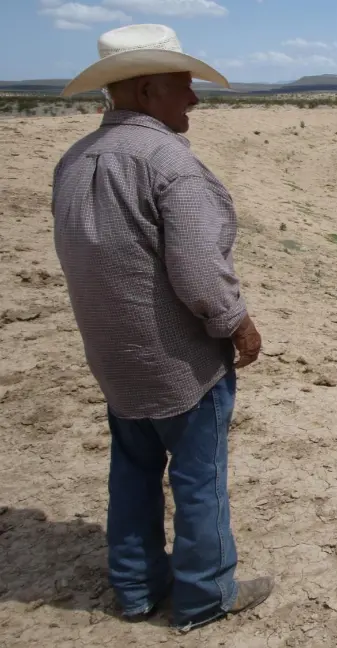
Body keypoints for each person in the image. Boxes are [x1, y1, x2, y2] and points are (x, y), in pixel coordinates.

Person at [52, 24, 273, 631]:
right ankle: (205, 598)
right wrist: (238, 325)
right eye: (184, 87)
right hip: (179, 361)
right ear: (149, 90)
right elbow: (199, 271)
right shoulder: (168, 161)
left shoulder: (74, 161)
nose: (194, 100)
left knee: (132, 471)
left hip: (113, 354)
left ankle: (136, 589)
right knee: (200, 481)